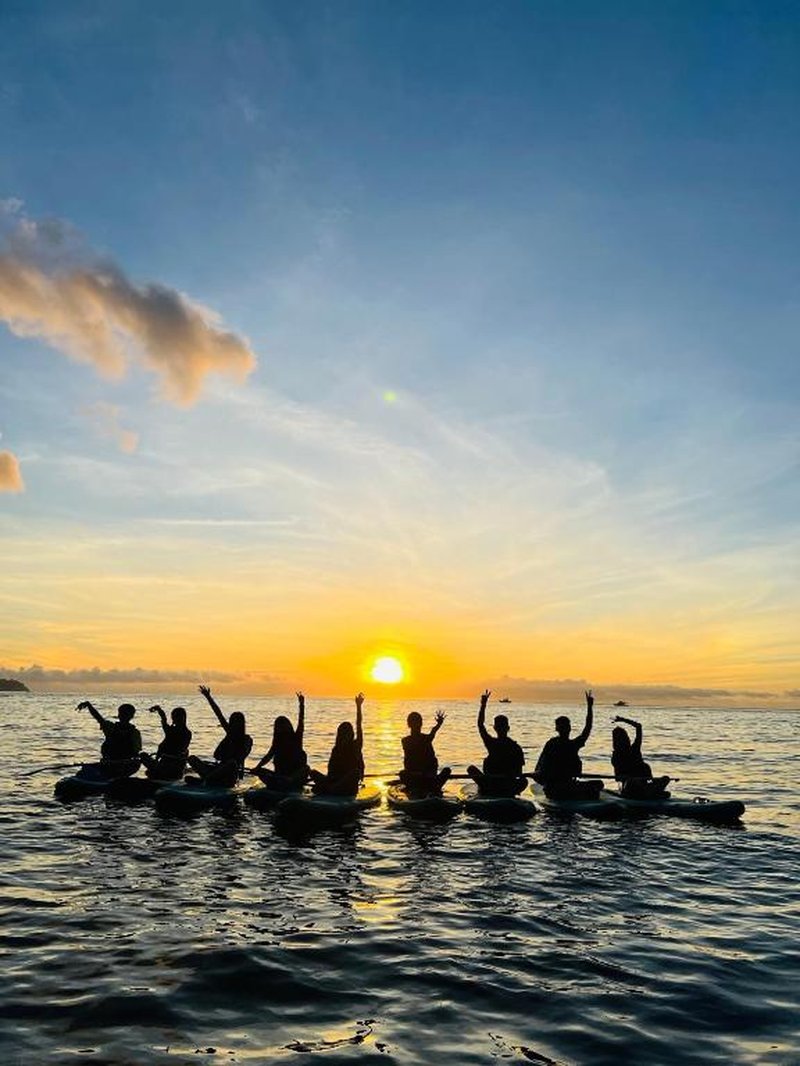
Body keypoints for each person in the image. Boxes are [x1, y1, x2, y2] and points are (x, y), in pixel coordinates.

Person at [533, 690, 602, 799]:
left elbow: (587, 729)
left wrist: (589, 707)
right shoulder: (566, 745)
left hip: (562, 787)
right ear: (568, 728)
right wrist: (589, 707)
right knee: (598, 785)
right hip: (556, 788)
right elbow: (587, 729)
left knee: (598, 784)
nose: (567, 727)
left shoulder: (567, 744)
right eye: (565, 726)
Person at [187, 685, 252, 788]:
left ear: (240, 724)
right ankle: (208, 778)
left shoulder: (247, 739)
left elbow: (240, 757)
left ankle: (205, 780)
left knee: (232, 763)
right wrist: (208, 697)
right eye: (231, 722)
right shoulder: (229, 733)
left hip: (229, 775)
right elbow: (219, 714)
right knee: (191, 758)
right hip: (217, 770)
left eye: (235, 722)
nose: (232, 724)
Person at [466, 689, 526, 796]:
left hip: (491, 785)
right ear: (508, 728)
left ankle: (488, 790)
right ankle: (510, 791)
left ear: (494, 728)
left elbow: (480, 725)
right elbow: (519, 773)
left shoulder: (492, 743)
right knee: (524, 781)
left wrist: (483, 705)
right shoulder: (515, 747)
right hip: (505, 785)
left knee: (471, 769)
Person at [309, 693, 365, 796]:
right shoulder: (336, 749)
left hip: (348, 786)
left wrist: (358, 706)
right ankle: (330, 788)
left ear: (351, 734)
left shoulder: (356, 745)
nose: (345, 736)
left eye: (348, 733)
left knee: (356, 772)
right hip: (334, 782)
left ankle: (329, 789)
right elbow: (330, 772)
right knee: (312, 772)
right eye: (343, 733)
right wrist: (329, 780)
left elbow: (359, 725)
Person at [252, 692, 308, 791]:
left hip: (293, 778)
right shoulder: (277, 743)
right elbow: (267, 757)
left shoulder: (296, 738)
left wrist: (301, 705)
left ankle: (287, 781)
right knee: (261, 771)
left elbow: (301, 722)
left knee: (306, 769)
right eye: (279, 725)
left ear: (289, 726)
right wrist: (257, 768)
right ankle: (281, 782)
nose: (281, 727)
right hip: (280, 777)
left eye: (283, 724)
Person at [76, 701, 142, 778]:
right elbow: (98, 717)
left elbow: (98, 718)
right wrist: (89, 705)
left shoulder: (130, 732)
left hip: (121, 765)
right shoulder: (112, 728)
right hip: (113, 764)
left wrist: (88, 705)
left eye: (124, 714)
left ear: (119, 715)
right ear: (132, 716)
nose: (123, 716)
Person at [611, 715, 670, 798]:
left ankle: (650, 791)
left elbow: (639, 727)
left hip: (646, 784)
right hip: (630, 788)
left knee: (665, 778)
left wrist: (623, 719)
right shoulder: (616, 756)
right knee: (633, 781)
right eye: (623, 738)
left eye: (625, 737)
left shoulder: (635, 748)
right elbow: (618, 778)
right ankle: (651, 792)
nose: (626, 739)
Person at [399, 709, 451, 796]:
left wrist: (438, 724)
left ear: (408, 724)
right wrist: (439, 724)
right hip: (424, 777)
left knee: (403, 774)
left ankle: (418, 786)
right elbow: (433, 731)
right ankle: (434, 786)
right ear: (421, 724)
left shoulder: (406, 741)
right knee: (447, 771)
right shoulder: (426, 739)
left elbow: (433, 731)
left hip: (423, 777)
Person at [140, 705, 192, 781]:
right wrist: (159, 710)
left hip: (168, 768)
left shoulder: (172, 731)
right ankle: (158, 772)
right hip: (175, 769)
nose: (174, 718)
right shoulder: (185, 732)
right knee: (146, 762)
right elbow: (164, 719)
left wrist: (159, 710)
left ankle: (158, 772)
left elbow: (164, 720)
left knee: (143, 756)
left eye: (175, 716)